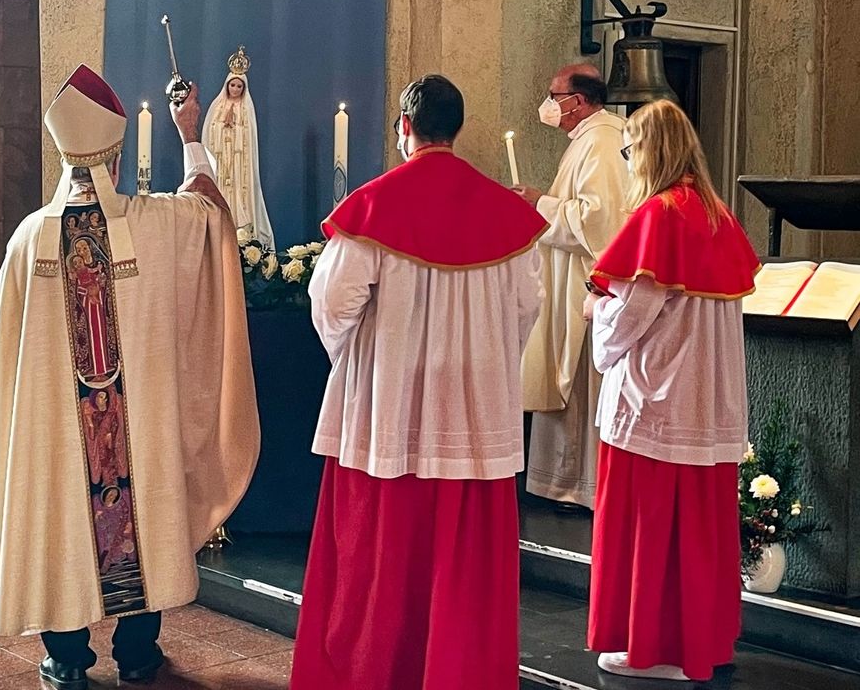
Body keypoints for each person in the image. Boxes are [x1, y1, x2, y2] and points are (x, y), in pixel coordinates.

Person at [0, 65, 259, 690]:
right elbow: (210, 205)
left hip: (60, 427)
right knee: (143, 498)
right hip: (131, 426)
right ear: (114, 158)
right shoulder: (158, 224)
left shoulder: (30, 237)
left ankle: (66, 657)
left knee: (62, 506)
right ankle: (137, 653)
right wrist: (189, 132)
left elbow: (7, 329)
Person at [290, 74, 547, 690]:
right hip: (473, 417)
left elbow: (330, 302)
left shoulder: (376, 205)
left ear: (405, 129)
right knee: (465, 569)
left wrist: (361, 364)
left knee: (382, 561)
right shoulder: (507, 216)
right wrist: (481, 364)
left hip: (391, 412)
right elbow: (526, 307)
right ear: (457, 130)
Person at [584, 100, 759, 682]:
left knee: (648, 524)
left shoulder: (658, 216)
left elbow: (632, 314)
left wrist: (596, 314)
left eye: (630, 150)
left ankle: (651, 648)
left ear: (649, 150)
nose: (629, 161)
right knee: (700, 532)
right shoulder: (719, 218)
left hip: (656, 399)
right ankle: (697, 645)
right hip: (708, 403)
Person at [514, 63, 630, 511]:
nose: (548, 105)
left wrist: (539, 204)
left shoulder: (601, 141)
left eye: (553, 95)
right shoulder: (594, 138)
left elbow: (598, 220)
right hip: (573, 280)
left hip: (586, 285)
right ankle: (567, 483)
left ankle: (579, 486)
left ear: (577, 102)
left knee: (581, 386)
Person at [202, 46, 275, 248]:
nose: (235, 89)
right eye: (232, 85)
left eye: (238, 86)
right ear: (227, 86)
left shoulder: (246, 109)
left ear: (243, 88)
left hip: (237, 164)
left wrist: (234, 128)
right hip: (221, 162)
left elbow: (248, 137)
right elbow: (209, 133)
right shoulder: (217, 106)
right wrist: (222, 126)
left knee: (237, 194)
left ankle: (242, 230)